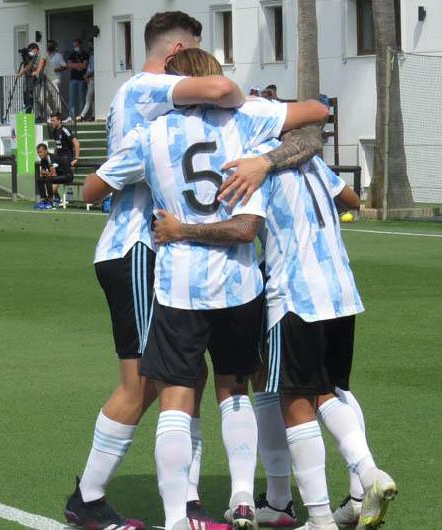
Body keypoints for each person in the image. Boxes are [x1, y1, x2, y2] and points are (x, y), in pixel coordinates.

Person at [85, 47, 328, 530]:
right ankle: (242, 497)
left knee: (175, 397)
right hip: (240, 281)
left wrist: (146, 184)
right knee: (235, 386)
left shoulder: (151, 132)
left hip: (179, 283)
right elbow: (317, 115)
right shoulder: (248, 119)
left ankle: (178, 518)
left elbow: (92, 189)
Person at [63, 11, 259, 530]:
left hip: (157, 253)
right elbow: (220, 86)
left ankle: (186, 504)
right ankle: (89, 497)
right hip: (138, 247)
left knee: (184, 376)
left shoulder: (141, 96)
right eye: (192, 53)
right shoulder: (150, 88)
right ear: (175, 56)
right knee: (146, 383)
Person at [156, 146, 398, 530]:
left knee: (294, 399)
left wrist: (181, 229)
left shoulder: (255, 166)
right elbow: (350, 199)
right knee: (328, 391)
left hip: (294, 294)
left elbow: (243, 229)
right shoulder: (311, 160)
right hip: (341, 290)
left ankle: (323, 510)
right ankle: (347, 489)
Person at [35, 143, 73, 210]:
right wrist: (46, 173)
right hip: (58, 176)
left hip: (67, 175)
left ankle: (50, 202)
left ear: (46, 151)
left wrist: (46, 173)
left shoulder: (50, 158)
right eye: (38, 152)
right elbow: (42, 173)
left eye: (41, 152)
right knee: (40, 179)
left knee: (48, 179)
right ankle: (44, 200)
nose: (39, 154)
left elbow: (53, 174)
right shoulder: (43, 160)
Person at [49, 112, 80, 180]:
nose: (52, 122)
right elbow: (57, 146)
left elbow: (76, 143)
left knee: (53, 172)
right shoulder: (54, 132)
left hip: (66, 158)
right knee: (48, 171)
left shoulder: (65, 130)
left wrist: (76, 159)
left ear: (59, 121)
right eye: (51, 120)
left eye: (53, 120)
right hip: (59, 159)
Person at [67, 39, 90, 119]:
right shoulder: (72, 54)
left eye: (76, 45)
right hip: (73, 79)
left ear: (80, 45)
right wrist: (79, 65)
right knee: (72, 99)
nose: (75, 47)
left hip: (82, 79)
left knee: (81, 99)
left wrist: (75, 65)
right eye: (74, 45)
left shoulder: (85, 54)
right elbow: (69, 66)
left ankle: (80, 116)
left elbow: (85, 66)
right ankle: (71, 116)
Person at [77, 51, 95, 122]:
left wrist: (86, 75)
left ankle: (82, 116)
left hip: (92, 79)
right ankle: (93, 115)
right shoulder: (91, 56)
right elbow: (89, 68)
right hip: (90, 79)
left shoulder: (93, 56)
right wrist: (86, 76)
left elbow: (92, 69)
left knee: (88, 98)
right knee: (92, 99)